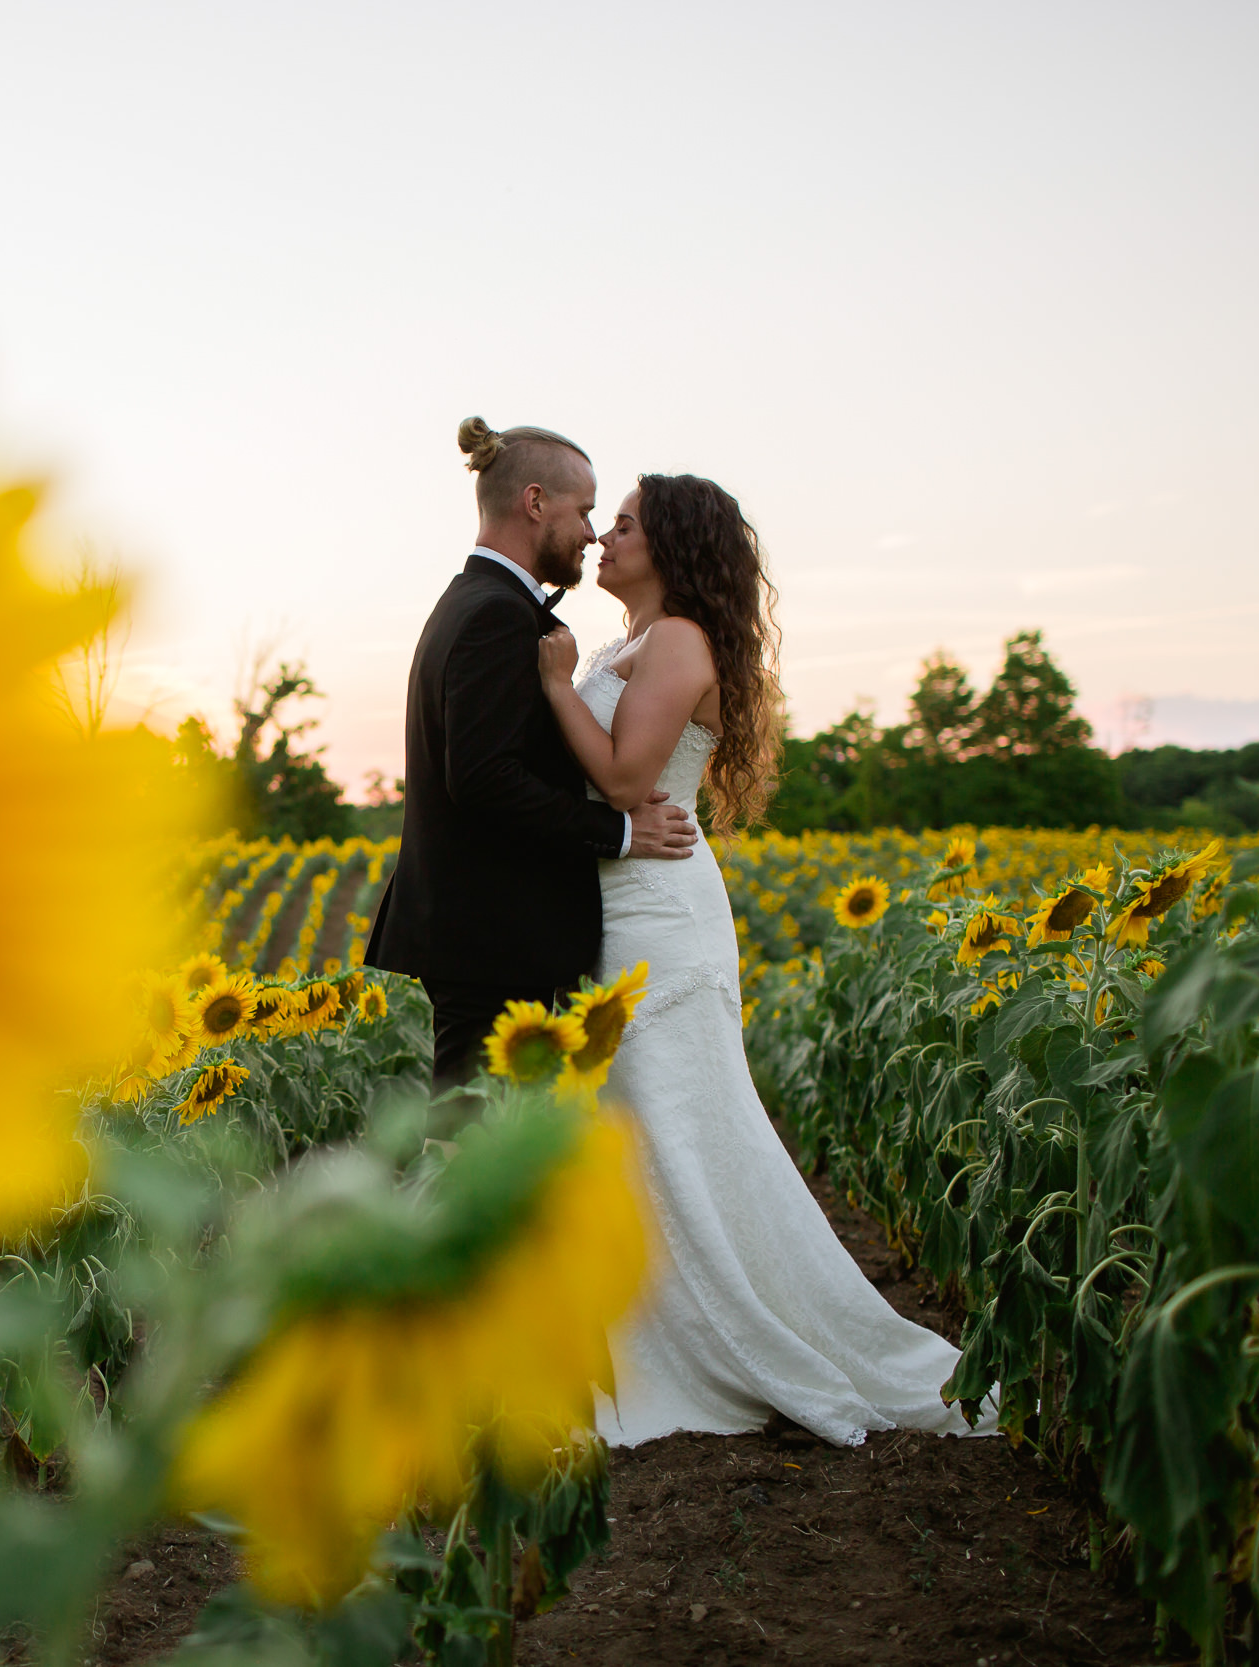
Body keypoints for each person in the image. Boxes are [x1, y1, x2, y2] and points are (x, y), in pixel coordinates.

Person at [537, 471, 992, 1447]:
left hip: (659, 912)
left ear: (674, 546)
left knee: (674, 1124)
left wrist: (547, 682)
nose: (604, 538)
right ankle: (634, 1333)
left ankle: (721, 1339)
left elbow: (621, 778)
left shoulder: (680, 640)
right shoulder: (626, 643)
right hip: (620, 899)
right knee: (633, 1129)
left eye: (625, 524)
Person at [364, 418, 698, 1090]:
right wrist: (622, 832)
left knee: (483, 1136)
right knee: (468, 1145)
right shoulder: (496, 613)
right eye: (585, 512)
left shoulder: (482, 602)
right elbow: (484, 778)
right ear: (535, 502)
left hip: (485, 935)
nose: (591, 533)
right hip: (488, 937)